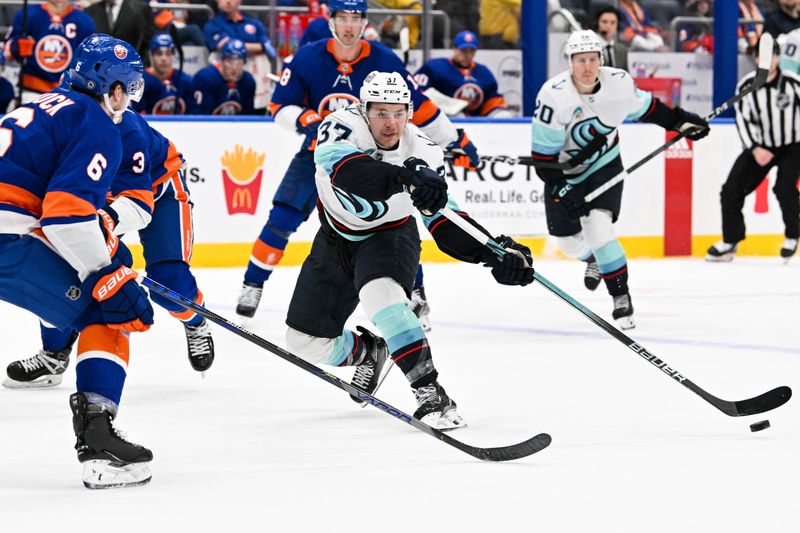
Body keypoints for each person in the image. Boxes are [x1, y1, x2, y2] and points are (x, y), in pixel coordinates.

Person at [285, 70, 534, 429]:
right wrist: (401, 176)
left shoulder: (425, 151)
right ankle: (368, 352)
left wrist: (493, 252)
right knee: (303, 343)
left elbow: (445, 220)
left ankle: (431, 392)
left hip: (389, 237)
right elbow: (347, 172)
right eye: (381, 113)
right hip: (335, 239)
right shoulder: (339, 126)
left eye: (399, 112)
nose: (391, 123)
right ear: (363, 109)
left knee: (382, 298)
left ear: (410, 112)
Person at [235, 0, 480, 329]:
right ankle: (253, 283)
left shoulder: (385, 60)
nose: (349, 25)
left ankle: (415, 293)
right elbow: (279, 105)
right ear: (331, 20)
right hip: (319, 155)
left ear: (364, 22)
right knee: (283, 217)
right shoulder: (308, 57)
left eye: (356, 18)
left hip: (377, 161)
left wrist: (457, 140)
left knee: (394, 223)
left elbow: (419, 107)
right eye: (343, 18)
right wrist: (305, 119)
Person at [0, 34, 154, 489]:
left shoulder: (47, 104)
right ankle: (100, 440)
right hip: (6, 239)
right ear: (113, 88)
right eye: (129, 87)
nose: (128, 97)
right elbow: (66, 218)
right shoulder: (96, 122)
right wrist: (107, 274)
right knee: (105, 312)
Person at [4, 106, 215, 388]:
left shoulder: (126, 129)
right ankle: (54, 354)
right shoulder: (58, 132)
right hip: (100, 207)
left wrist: (108, 219)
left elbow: (139, 202)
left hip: (156, 193)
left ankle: (195, 321)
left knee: (170, 284)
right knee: (57, 272)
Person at [530, 30, 709, 329]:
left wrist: (681, 121)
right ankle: (594, 259)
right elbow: (543, 159)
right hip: (563, 172)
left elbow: (649, 108)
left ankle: (621, 297)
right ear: (569, 62)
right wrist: (561, 186)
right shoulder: (553, 96)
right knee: (568, 244)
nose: (587, 66)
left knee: (600, 230)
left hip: (604, 164)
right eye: (580, 60)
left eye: (592, 59)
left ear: (601, 60)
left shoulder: (619, 84)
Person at [705, 42, 800, 263]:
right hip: (760, 146)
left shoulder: (793, 82)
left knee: (784, 188)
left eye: (772, 55)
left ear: (778, 57)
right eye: (762, 56)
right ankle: (730, 241)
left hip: (793, 146)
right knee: (730, 191)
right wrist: (755, 148)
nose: (767, 60)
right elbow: (743, 120)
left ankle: (792, 234)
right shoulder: (746, 85)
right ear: (756, 58)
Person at [3, 0, 95, 103]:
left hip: (66, 93)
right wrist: (16, 46)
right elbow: (6, 51)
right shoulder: (29, 13)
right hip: (29, 89)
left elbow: (86, 60)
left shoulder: (84, 21)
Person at [413, 30, 511, 118]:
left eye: (471, 51)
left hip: (476, 121)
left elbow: (493, 100)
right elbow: (417, 91)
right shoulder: (434, 67)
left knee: (505, 116)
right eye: (463, 50)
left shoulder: (483, 72)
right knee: (459, 116)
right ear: (454, 49)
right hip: (443, 119)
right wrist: (448, 105)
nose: (467, 55)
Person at [204, 0, 277, 112]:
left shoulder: (254, 23)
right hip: (224, 79)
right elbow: (227, 47)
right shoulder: (212, 26)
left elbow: (270, 49)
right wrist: (260, 47)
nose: (228, 1)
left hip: (254, 78)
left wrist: (261, 47)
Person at [191, 38, 257, 115]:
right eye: (230, 61)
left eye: (239, 62)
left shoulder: (248, 81)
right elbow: (200, 118)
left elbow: (248, 118)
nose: (234, 67)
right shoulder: (205, 78)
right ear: (221, 61)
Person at [133, 33, 194, 114]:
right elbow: (138, 116)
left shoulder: (185, 81)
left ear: (173, 56)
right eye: (159, 54)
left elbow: (192, 114)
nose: (164, 58)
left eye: (168, 54)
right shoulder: (139, 82)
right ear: (151, 55)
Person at [85, 0, 158, 62]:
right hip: (99, 70)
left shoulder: (140, 8)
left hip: (131, 69)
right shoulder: (90, 11)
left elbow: (150, 41)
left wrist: (141, 67)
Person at [595, 5, 629, 71]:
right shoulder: (591, 48)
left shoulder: (622, 50)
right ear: (597, 24)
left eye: (613, 23)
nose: (608, 26)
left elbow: (626, 76)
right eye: (604, 22)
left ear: (617, 26)